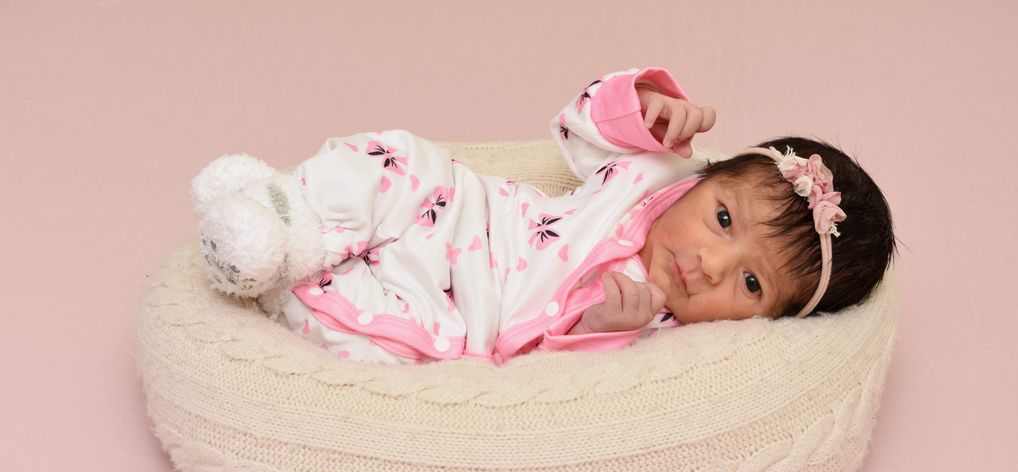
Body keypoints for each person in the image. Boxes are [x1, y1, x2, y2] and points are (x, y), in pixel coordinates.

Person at [191, 67, 894, 365]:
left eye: (751, 284)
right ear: (711, 176)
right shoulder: (659, 171)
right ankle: (284, 211)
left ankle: (276, 267)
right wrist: (643, 107)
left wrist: (599, 330)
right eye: (723, 220)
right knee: (400, 160)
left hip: (465, 317)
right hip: (466, 216)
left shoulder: (661, 331)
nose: (709, 265)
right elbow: (579, 129)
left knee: (396, 349)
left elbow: (560, 375)